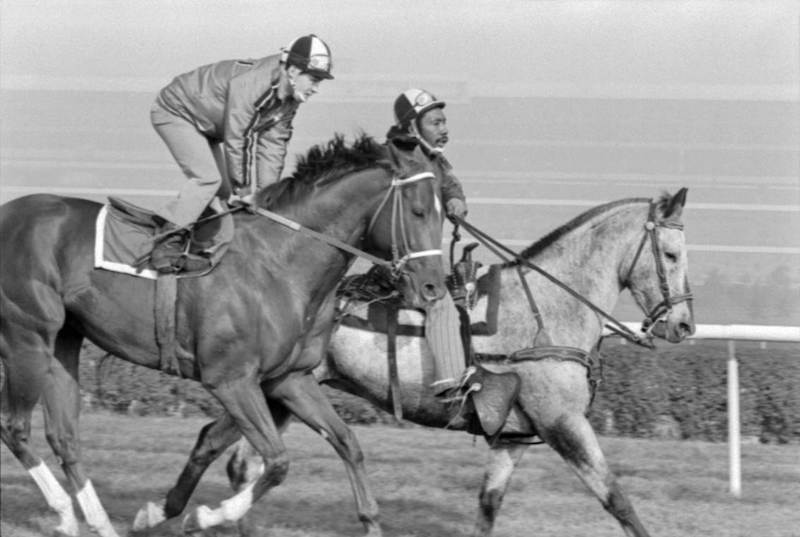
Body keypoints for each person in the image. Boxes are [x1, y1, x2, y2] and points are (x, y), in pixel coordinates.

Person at [149, 34, 334, 272]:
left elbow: (273, 146)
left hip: (209, 127)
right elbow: (239, 139)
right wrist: (245, 191)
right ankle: (165, 243)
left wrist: (268, 197)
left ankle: (197, 245)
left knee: (224, 194)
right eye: (314, 79)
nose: (316, 89)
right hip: (176, 112)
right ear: (294, 72)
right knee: (208, 180)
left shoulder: (289, 100)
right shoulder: (254, 85)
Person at [385, 88, 470, 399]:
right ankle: (451, 384)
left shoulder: (433, 158)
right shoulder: (403, 158)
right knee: (441, 303)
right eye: (435, 123)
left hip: (425, 257)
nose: (444, 129)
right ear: (412, 127)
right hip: (405, 260)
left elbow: (449, 182)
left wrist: (456, 199)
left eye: (444, 122)